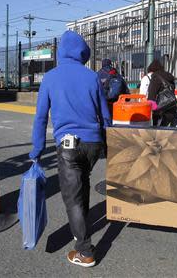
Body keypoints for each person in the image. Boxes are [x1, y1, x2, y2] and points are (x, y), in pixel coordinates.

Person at [29, 30, 111, 268]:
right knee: (82, 185)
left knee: (72, 198)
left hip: (68, 145)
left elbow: (41, 118)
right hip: (93, 145)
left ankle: (84, 251)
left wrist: (36, 151)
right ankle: (81, 229)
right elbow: (104, 115)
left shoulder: (51, 78)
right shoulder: (92, 76)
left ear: (61, 51)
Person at [146, 60, 177, 127]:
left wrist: (152, 109)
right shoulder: (169, 77)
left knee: (157, 133)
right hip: (171, 107)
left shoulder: (155, 78)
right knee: (166, 131)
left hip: (160, 110)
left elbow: (151, 96)